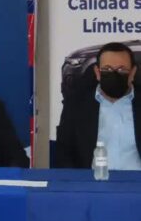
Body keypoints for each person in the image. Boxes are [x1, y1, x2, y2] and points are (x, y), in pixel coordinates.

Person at [55, 41, 140, 169]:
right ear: (97, 72)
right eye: (107, 69)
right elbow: (63, 152)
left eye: (121, 69)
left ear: (132, 73)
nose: (114, 74)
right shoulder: (76, 105)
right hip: (92, 180)